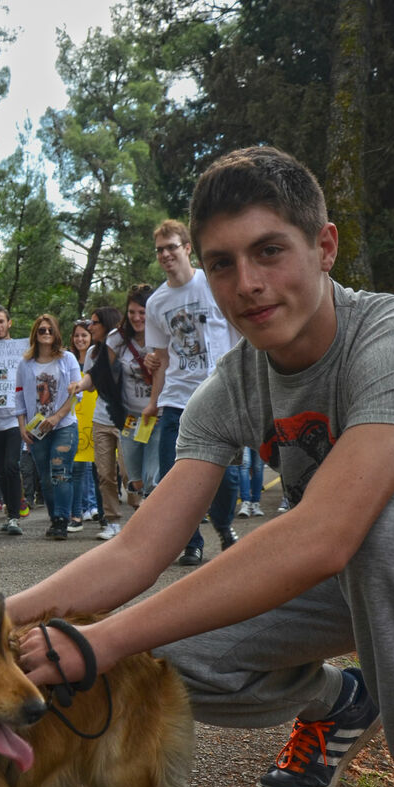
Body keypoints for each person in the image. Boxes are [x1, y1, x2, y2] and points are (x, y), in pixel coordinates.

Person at [9, 144, 394, 787]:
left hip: (393, 555)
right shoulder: (233, 386)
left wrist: (100, 639)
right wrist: (1, 615)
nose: (247, 284)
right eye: (222, 264)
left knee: (386, 524)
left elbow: (327, 534)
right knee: (155, 665)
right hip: (359, 576)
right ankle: (341, 700)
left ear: (324, 246)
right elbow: (139, 548)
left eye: (270, 251)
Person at [146, 217, 241, 565]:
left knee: (227, 477)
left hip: (219, 393)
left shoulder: (214, 283)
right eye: (160, 250)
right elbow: (160, 358)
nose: (165, 255)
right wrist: (153, 402)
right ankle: (191, 543)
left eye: (171, 247)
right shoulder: (156, 303)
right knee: (172, 475)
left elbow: (240, 333)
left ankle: (224, 525)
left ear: (187, 248)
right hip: (177, 398)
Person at [16, 313, 81, 542]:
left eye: (50, 330)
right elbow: (19, 396)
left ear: (56, 333)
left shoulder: (67, 359)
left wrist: (57, 417)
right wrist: (22, 427)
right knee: (45, 477)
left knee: (60, 472)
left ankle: (63, 520)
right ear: (35, 334)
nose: (46, 333)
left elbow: (77, 393)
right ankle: (55, 519)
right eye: (41, 330)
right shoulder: (25, 363)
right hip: (37, 429)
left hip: (64, 425)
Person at [112, 284, 161, 511]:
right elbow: (101, 369)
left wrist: (159, 361)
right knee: (134, 478)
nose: (136, 317)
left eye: (142, 312)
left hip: (158, 415)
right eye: (132, 312)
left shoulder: (163, 335)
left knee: (152, 478)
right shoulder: (118, 339)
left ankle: (154, 523)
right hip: (131, 418)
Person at [79, 306, 122, 539]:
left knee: (131, 475)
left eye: (94, 323)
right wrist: (79, 385)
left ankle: (140, 516)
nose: (90, 327)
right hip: (101, 420)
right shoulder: (93, 353)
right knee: (105, 474)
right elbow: (91, 384)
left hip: (127, 420)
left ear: (107, 324)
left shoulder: (126, 348)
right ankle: (112, 522)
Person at [0, 305, 25, 536]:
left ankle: (15, 516)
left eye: (1, 321)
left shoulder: (21, 350)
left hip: (14, 419)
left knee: (11, 466)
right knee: (0, 471)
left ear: (9, 323)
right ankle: (10, 514)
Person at [68, 319, 100, 528]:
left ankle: (94, 506)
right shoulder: (69, 361)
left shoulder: (97, 359)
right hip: (74, 417)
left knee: (96, 466)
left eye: (84, 335)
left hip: (95, 417)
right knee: (78, 466)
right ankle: (79, 510)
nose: (80, 339)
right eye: (77, 335)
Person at [237, 445, 265, 517]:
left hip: (260, 439)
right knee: (244, 465)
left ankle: (255, 503)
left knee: (258, 467)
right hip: (243, 438)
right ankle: (245, 502)